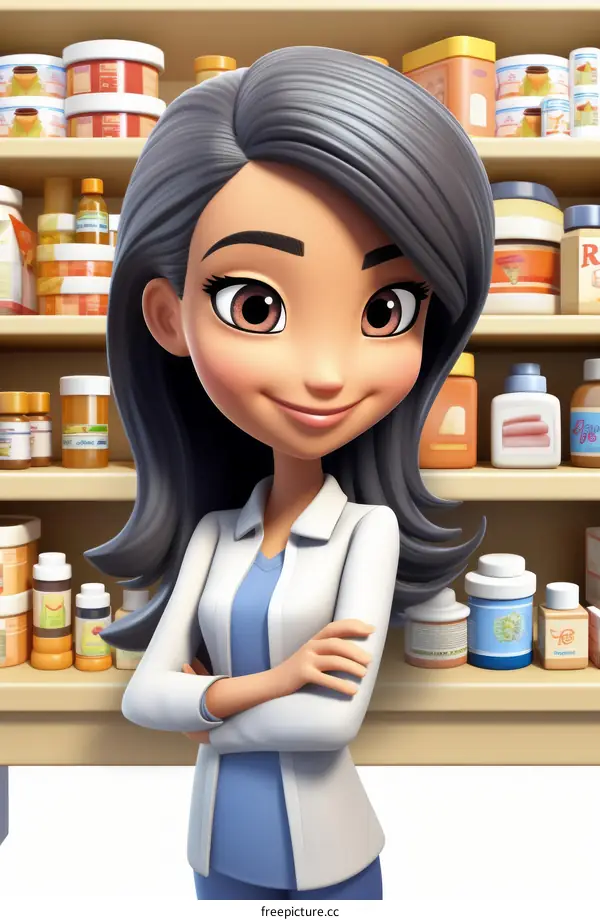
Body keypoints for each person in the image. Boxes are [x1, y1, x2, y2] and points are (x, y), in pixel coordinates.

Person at [87, 46, 494, 900]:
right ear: (168, 316)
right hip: (216, 849)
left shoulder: (367, 532)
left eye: (386, 310)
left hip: (330, 855)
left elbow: (330, 721)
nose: (326, 374)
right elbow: (143, 701)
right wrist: (278, 680)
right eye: (257, 306)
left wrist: (209, 709)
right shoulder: (214, 535)